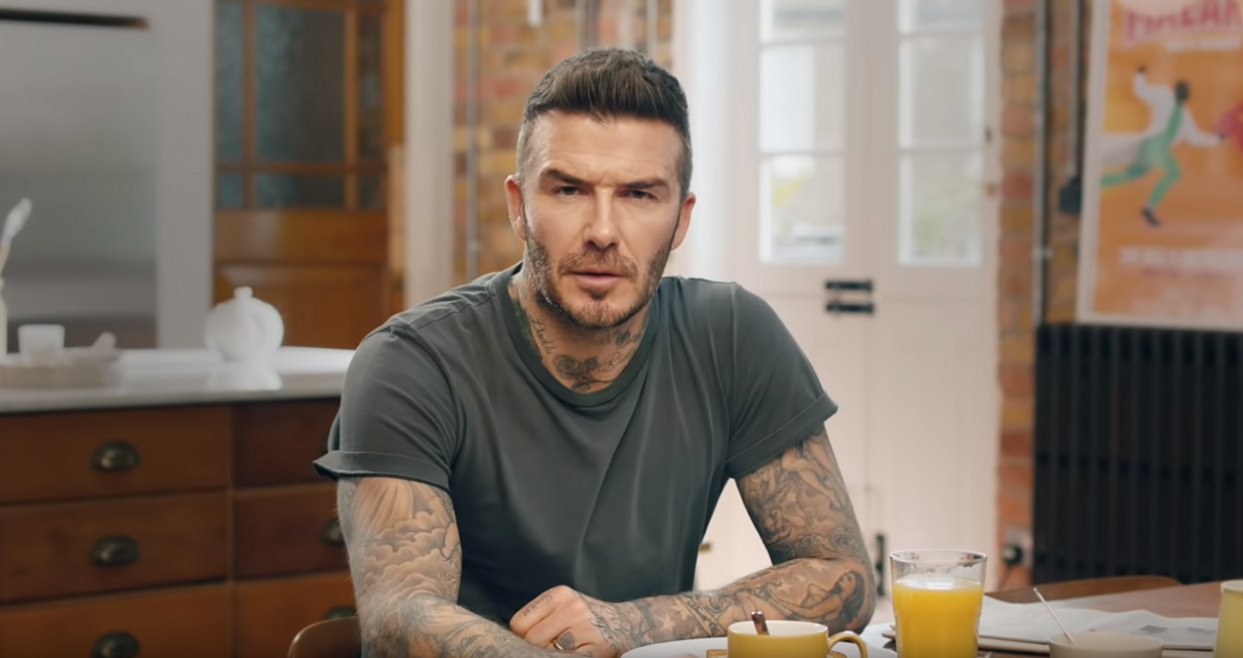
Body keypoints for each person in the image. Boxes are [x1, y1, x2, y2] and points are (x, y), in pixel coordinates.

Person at [313, 47, 875, 658]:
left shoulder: (733, 335)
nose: (603, 231)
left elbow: (841, 575)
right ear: (519, 206)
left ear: (681, 219)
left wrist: (633, 624)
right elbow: (400, 619)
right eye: (569, 189)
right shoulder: (411, 363)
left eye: (639, 195)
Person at [1099, 66, 1225, 227]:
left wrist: (1216, 139)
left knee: (1131, 175)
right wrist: (1139, 76)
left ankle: (1096, 183)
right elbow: (1142, 92)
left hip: (1154, 148)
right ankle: (1148, 209)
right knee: (1174, 172)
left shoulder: (1185, 115)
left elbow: (1196, 137)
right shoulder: (1164, 96)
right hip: (1153, 144)